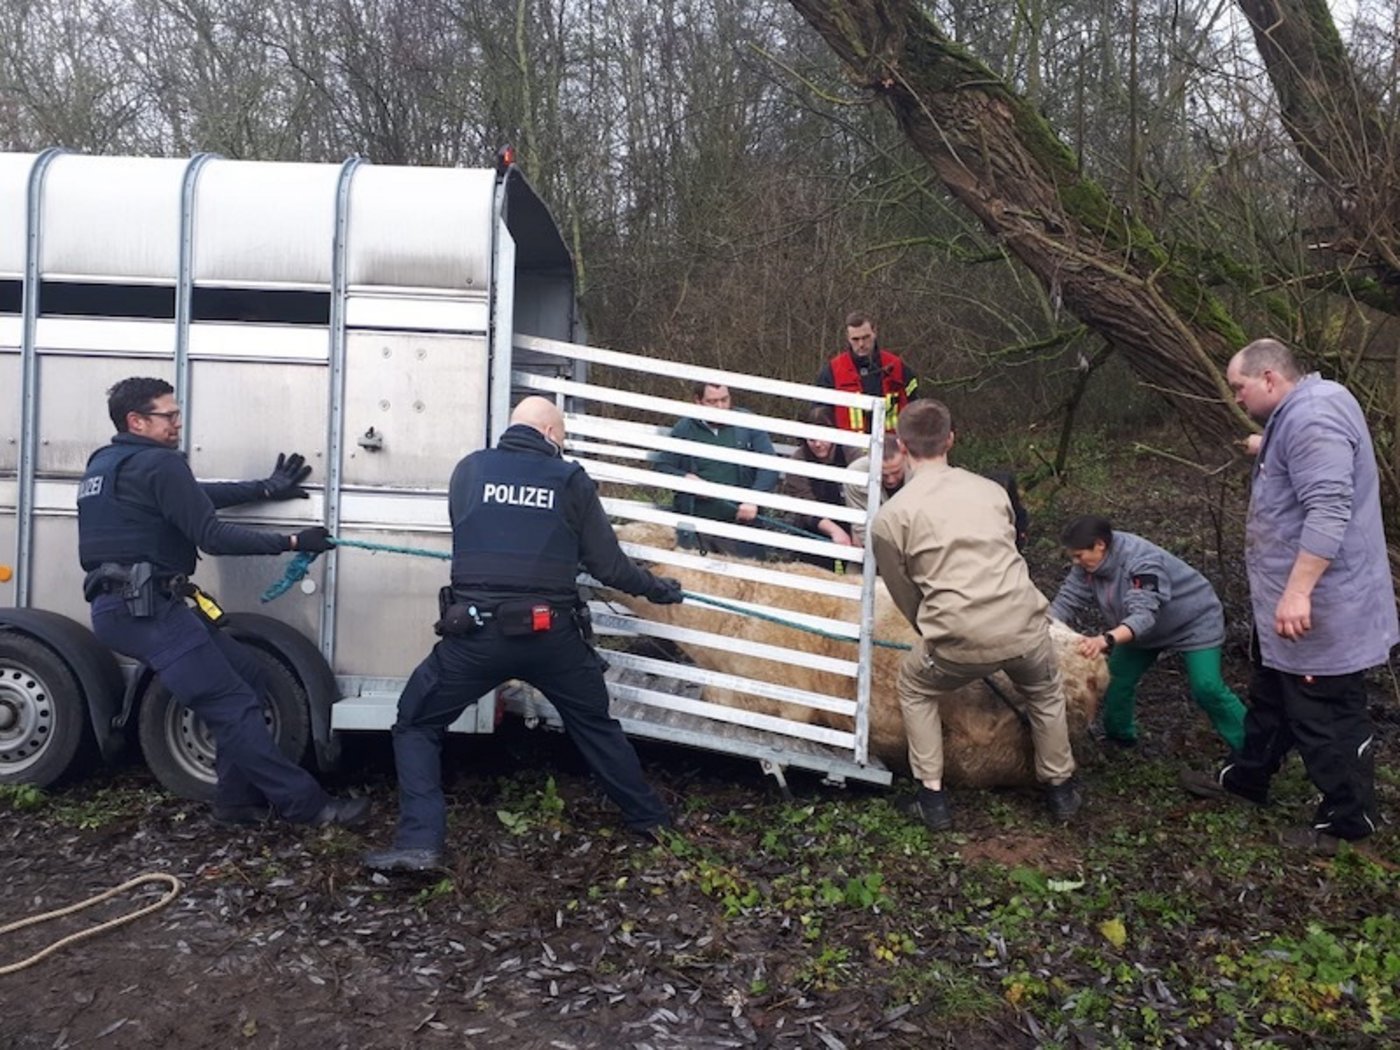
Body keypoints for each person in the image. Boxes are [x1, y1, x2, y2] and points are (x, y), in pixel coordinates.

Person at [363, 397, 684, 873]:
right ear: (552, 434)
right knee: (595, 725)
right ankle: (652, 821)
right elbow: (608, 565)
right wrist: (660, 590)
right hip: (550, 635)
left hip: (474, 633)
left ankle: (420, 843)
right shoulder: (570, 480)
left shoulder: (469, 471)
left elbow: (468, 531)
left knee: (416, 722)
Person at [77, 377, 369, 830]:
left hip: (128, 608)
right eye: (167, 416)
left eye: (177, 413)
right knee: (233, 705)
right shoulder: (158, 463)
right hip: (147, 610)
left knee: (248, 680)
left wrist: (265, 488)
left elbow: (194, 498)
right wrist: (291, 540)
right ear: (136, 420)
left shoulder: (108, 464)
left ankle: (234, 805)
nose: (177, 423)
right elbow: (211, 535)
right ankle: (310, 808)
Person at [1182, 339, 1397, 853]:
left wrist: (1299, 592)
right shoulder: (1305, 410)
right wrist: (1269, 447)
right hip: (1290, 611)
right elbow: (1312, 457)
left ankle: (1348, 825)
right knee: (1273, 698)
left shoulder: (1312, 421)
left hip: (1320, 608)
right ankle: (1247, 779)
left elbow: (1327, 510)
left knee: (1327, 717)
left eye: (1240, 387)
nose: (1235, 398)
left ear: (1271, 379)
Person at [872, 399, 1081, 831]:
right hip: (1026, 623)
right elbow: (1008, 555)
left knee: (914, 686)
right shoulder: (992, 491)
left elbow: (903, 591)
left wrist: (936, 631)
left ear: (903, 444)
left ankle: (932, 798)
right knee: (1044, 689)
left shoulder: (890, 518)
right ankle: (1061, 789)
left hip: (958, 638)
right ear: (951, 439)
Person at [1049, 516, 1246, 751]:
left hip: (1192, 621)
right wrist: (1045, 625)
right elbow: (1067, 599)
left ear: (1100, 545)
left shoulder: (1142, 561)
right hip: (1142, 630)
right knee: (1116, 680)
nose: (1075, 562)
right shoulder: (1087, 565)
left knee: (1207, 687)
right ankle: (1120, 738)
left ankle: (1252, 748)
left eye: (1079, 555)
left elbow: (1145, 615)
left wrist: (1106, 639)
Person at [654, 382, 778, 558]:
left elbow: (770, 466)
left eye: (724, 400)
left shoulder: (748, 424)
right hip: (698, 528)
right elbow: (662, 466)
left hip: (741, 528)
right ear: (698, 401)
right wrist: (685, 478)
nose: (720, 407)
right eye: (713, 402)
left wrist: (753, 499)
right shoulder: (685, 428)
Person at [815, 311, 919, 433]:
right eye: (855, 339)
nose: (861, 344)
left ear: (874, 332)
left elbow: (916, 409)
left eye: (865, 337)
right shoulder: (832, 372)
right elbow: (820, 415)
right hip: (849, 448)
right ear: (848, 338)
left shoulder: (896, 366)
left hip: (891, 446)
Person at [779, 405, 855, 567]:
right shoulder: (798, 461)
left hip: (854, 525)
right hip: (814, 529)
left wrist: (857, 533)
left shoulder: (851, 453)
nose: (818, 444)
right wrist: (835, 531)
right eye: (812, 439)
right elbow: (805, 506)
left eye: (823, 438)